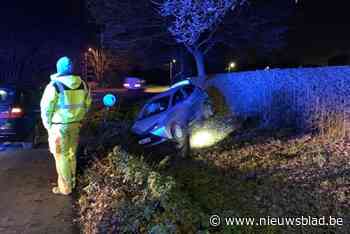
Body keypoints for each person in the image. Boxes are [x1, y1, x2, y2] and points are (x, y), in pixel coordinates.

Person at [40, 56, 92, 195]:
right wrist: (80, 118)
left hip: (59, 127)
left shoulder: (54, 86)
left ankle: (65, 188)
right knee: (71, 154)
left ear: (59, 69)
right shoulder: (83, 84)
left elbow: (46, 109)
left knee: (60, 155)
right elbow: (87, 104)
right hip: (75, 125)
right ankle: (72, 182)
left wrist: (48, 126)